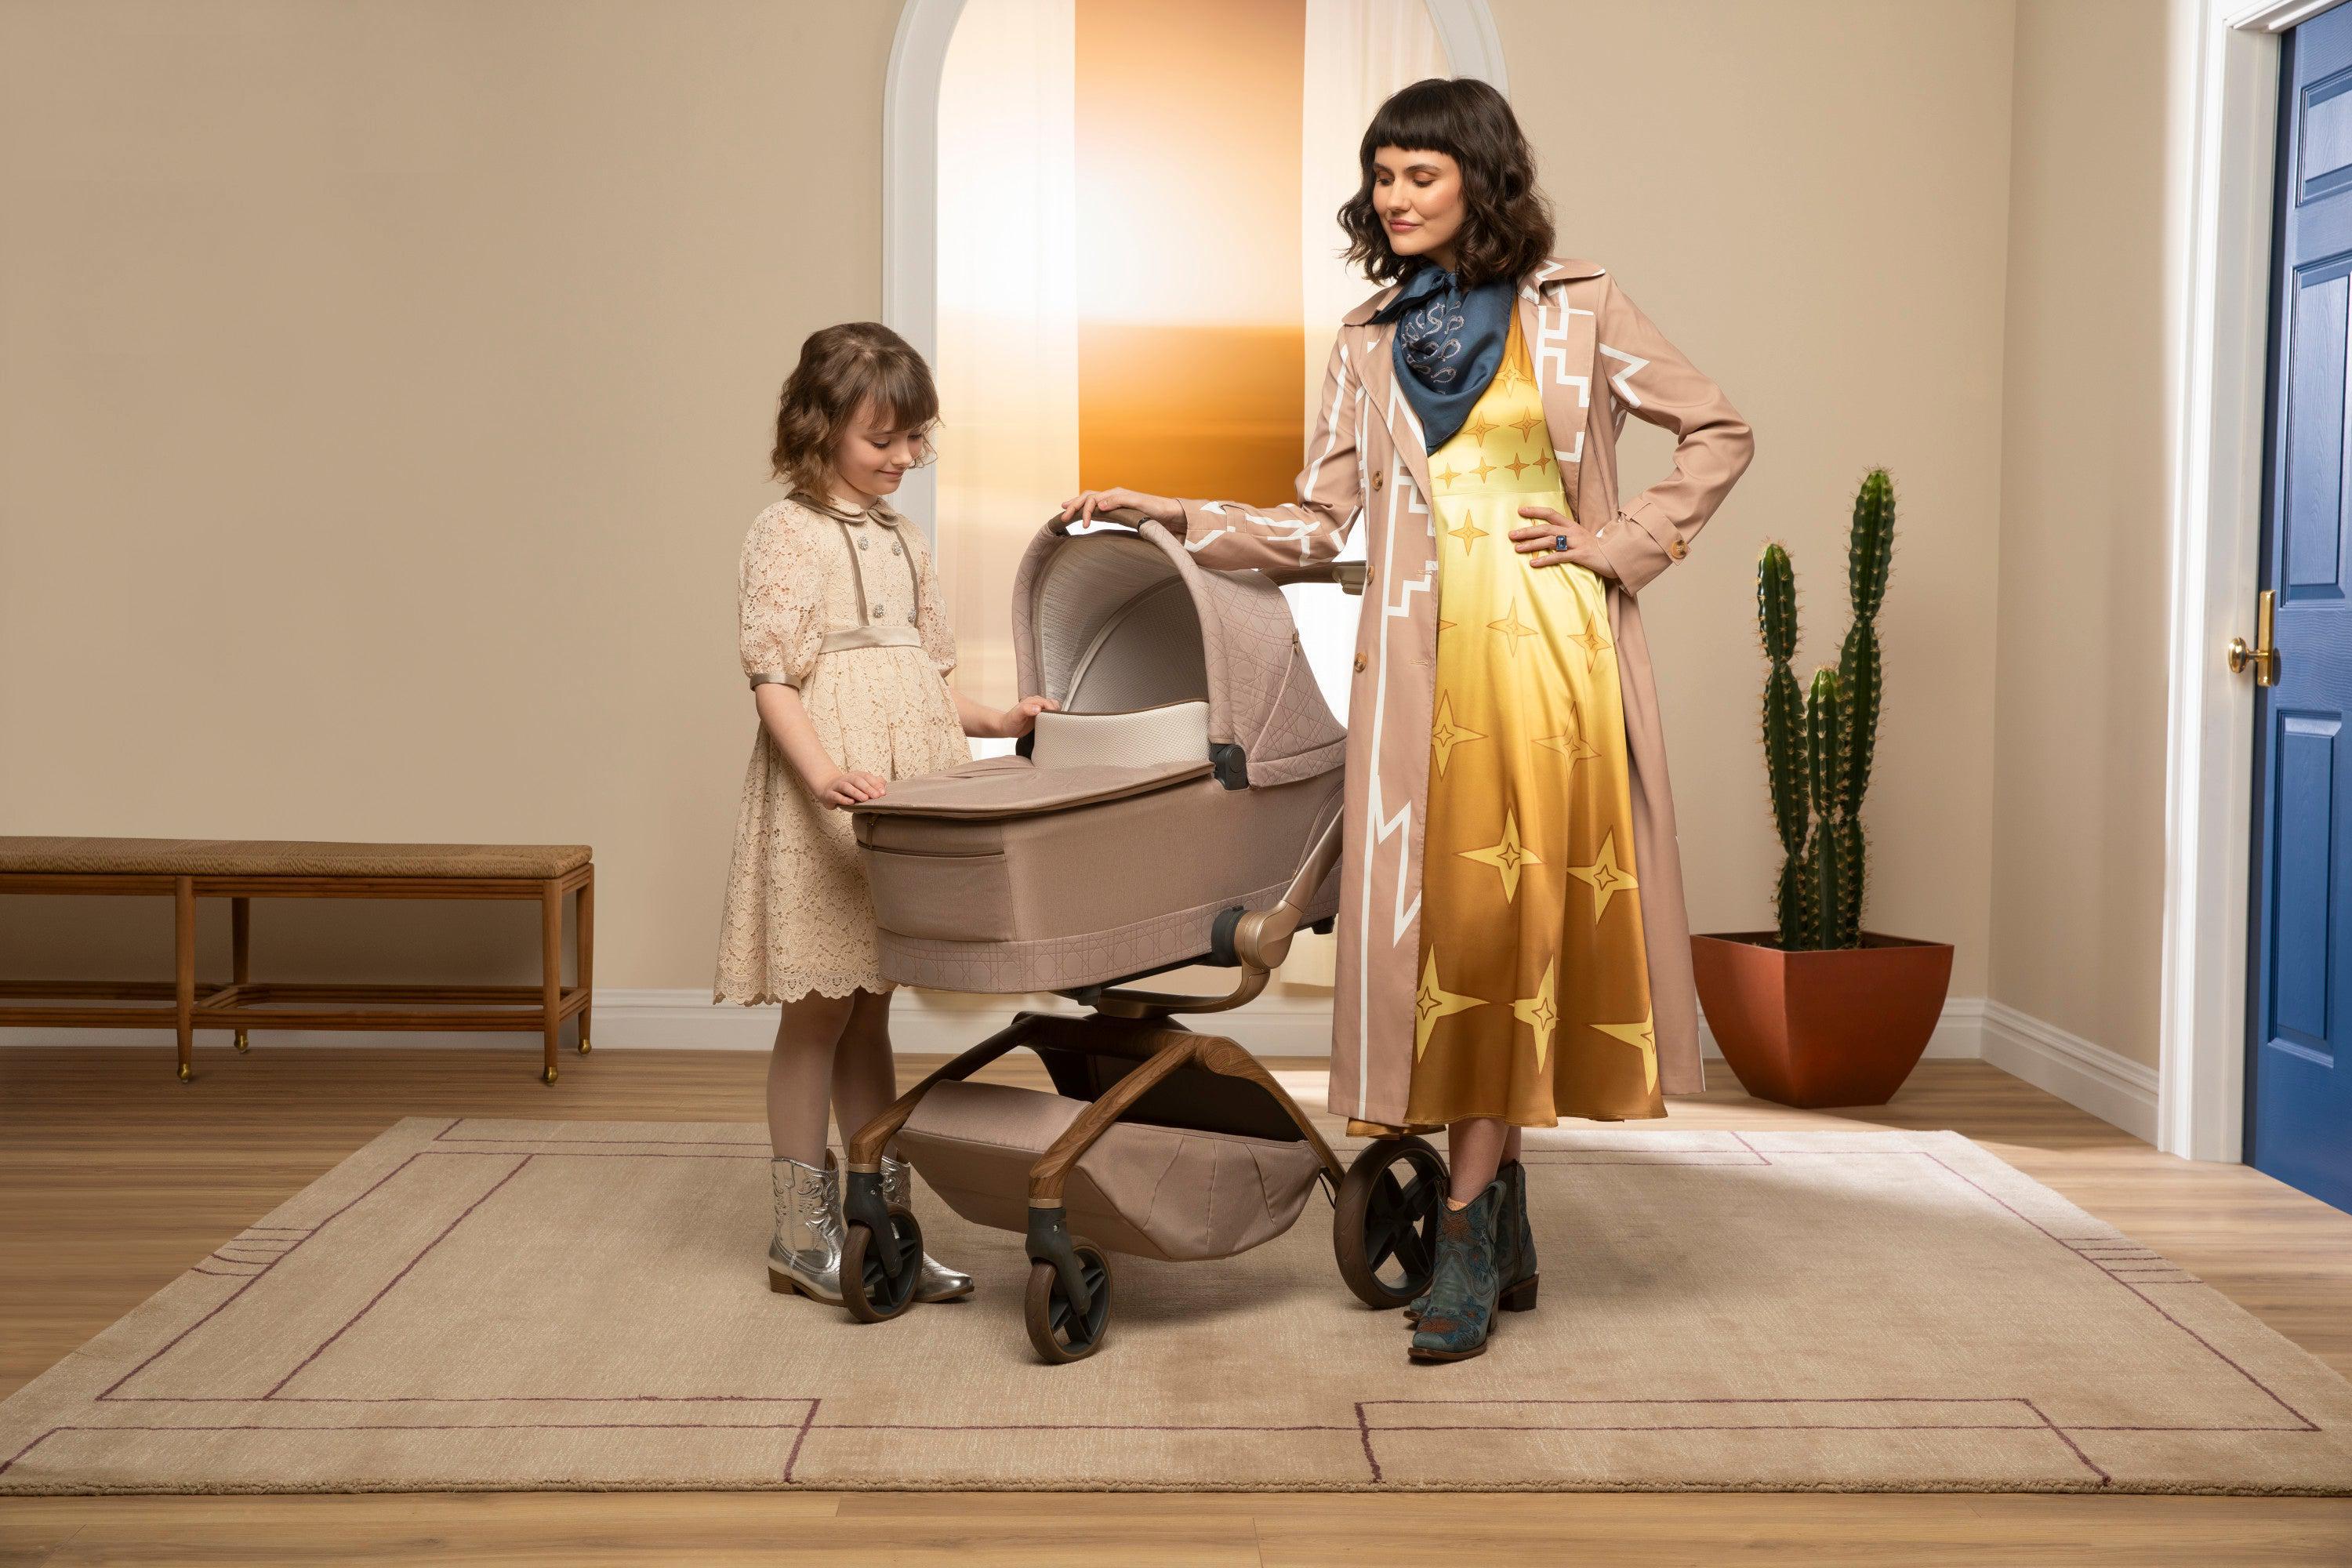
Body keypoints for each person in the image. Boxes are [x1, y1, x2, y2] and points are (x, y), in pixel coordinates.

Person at [1058, 78, 1752, 1361]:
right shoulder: (1366, 338)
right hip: (1420, 670)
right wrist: (1176, 515)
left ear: (1481, 177)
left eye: (1419, 174)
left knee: (1504, 932)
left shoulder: (1580, 305)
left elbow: (1716, 429)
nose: (1393, 197)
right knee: (1448, 940)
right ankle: (1503, 1207)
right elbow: (1318, 522)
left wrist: (1618, 542)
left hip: (1548, 659)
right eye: (1381, 176)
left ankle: (1470, 1228)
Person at [717, 321, 1058, 1307]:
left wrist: (1000, 720)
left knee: (873, 1003)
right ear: (819, 428)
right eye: (884, 439)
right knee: (820, 1007)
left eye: (916, 437)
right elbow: (774, 678)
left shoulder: (906, 539)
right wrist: (823, 772)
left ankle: (883, 1222)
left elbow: (927, 675)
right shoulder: (786, 533)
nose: (906, 456)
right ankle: (800, 1232)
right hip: (833, 791)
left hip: (908, 789)